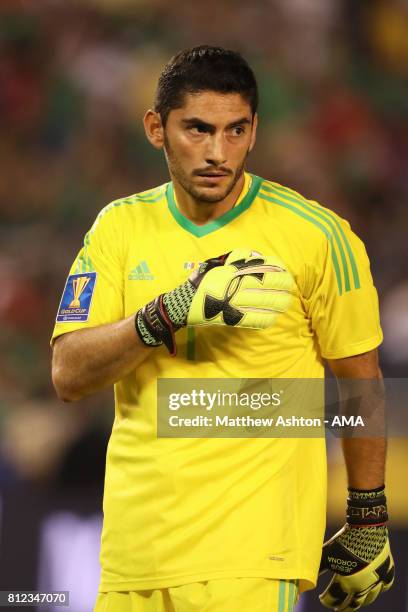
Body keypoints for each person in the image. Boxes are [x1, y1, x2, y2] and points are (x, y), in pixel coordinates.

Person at [51, 46, 394, 612]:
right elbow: (68, 373)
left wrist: (367, 517)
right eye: (198, 129)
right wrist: (168, 313)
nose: (217, 152)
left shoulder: (318, 237)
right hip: (131, 560)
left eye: (236, 130)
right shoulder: (118, 227)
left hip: (253, 561)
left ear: (255, 129)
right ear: (155, 128)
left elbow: (362, 383)